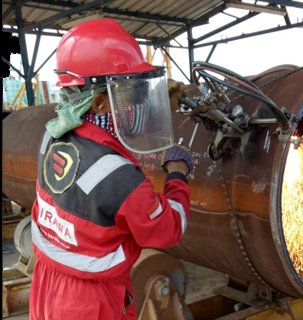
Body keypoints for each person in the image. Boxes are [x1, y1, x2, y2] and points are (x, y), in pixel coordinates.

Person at [29, 18, 193, 320]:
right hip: (88, 302)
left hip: (46, 283)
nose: (134, 104)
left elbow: (92, 161)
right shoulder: (120, 177)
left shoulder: (52, 135)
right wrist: (177, 174)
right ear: (102, 103)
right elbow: (169, 227)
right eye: (130, 94)